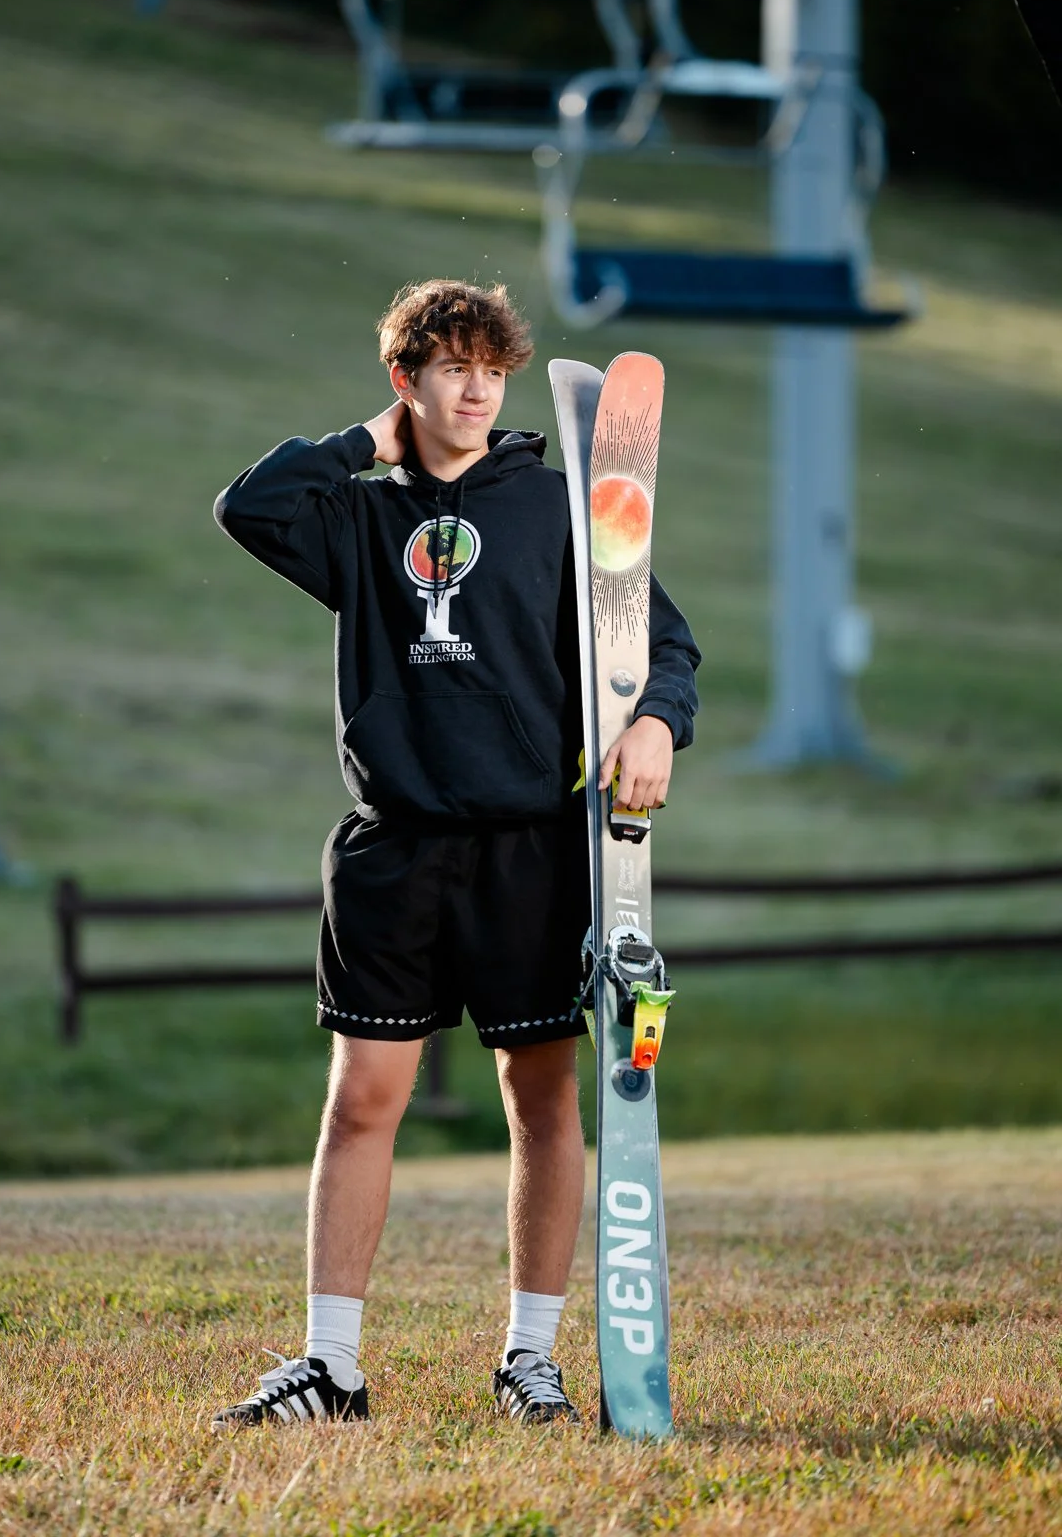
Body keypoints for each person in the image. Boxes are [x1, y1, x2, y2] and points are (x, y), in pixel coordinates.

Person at [209, 280, 699, 1431]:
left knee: (541, 1099)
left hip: (531, 847)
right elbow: (250, 506)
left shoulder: (559, 507)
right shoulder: (359, 517)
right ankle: (331, 1367)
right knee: (363, 1097)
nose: (477, 388)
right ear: (405, 379)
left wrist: (653, 720)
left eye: (493, 368)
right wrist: (365, 447)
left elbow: (660, 642)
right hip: (394, 848)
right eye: (450, 367)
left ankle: (528, 1356)